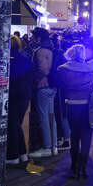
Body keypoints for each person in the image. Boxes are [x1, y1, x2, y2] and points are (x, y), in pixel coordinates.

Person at [57, 44, 93, 179]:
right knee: (86, 138)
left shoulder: (63, 70)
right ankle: (83, 169)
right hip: (87, 106)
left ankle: (74, 167)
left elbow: (61, 88)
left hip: (71, 105)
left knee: (74, 137)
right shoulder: (91, 68)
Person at [29, 28, 58, 158]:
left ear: (39, 39)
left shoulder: (41, 51)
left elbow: (44, 70)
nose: (32, 39)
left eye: (33, 37)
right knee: (51, 118)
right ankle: (53, 146)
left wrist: (33, 77)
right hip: (51, 87)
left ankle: (47, 146)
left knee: (44, 118)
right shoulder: (51, 49)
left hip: (43, 86)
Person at [7, 35, 34, 164]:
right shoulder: (25, 59)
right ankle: (22, 153)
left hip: (13, 95)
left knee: (13, 124)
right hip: (24, 95)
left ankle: (13, 155)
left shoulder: (8, 60)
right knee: (16, 123)